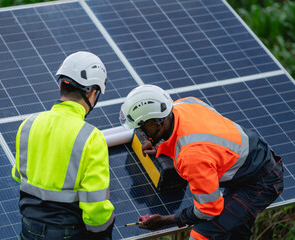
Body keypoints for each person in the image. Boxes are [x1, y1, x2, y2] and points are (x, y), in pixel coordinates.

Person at [119, 84, 283, 240]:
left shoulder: (191, 157)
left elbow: (208, 210)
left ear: (157, 124)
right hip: (247, 158)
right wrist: (161, 144)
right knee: (234, 230)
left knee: (202, 235)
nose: (140, 133)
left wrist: (164, 220)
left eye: (143, 128)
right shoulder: (185, 104)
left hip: (260, 182)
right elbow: (195, 133)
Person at [12, 51, 115, 240]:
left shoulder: (28, 124)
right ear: (92, 92)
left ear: (61, 84)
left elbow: (18, 174)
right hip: (67, 233)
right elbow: (95, 207)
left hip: (28, 229)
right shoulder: (91, 137)